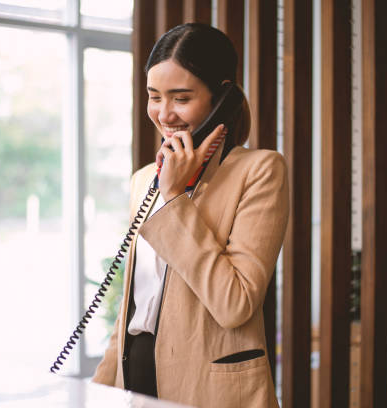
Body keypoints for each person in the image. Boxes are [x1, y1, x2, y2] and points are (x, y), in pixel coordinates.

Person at [92, 23, 288, 408]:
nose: (165, 114)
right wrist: (98, 390)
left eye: (181, 98)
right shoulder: (144, 180)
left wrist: (175, 197)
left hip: (211, 390)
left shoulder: (260, 170)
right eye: (154, 97)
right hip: (135, 381)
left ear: (222, 98)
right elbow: (133, 309)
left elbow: (235, 304)